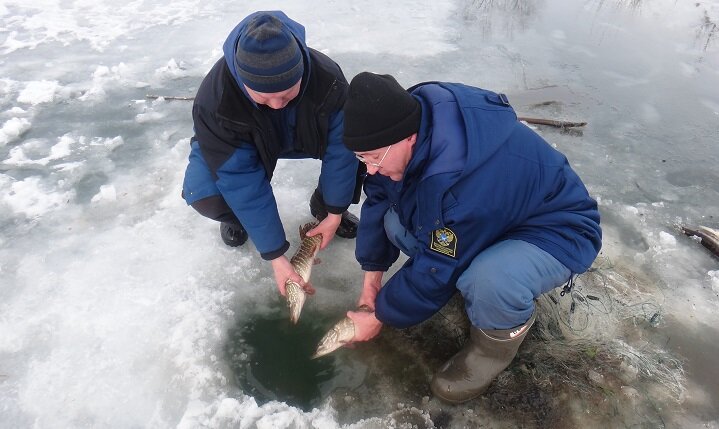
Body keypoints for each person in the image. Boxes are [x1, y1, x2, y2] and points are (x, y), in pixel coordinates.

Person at [340, 72, 602, 404]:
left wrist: (379, 316)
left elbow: (438, 263)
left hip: (557, 229)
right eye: (362, 158)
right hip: (492, 219)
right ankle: (481, 272)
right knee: (394, 221)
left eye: (374, 157)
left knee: (489, 279)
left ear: (407, 138)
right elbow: (378, 199)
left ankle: (494, 347)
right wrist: (371, 279)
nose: (371, 168)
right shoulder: (411, 129)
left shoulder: (461, 183)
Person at [182, 11, 363, 296]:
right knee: (204, 192)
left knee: (364, 145)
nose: (277, 105)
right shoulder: (217, 101)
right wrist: (275, 255)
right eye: (264, 97)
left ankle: (323, 204)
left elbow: (342, 148)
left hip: (301, 134)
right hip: (242, 142)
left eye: (288, 94)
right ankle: (238, 220)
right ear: (243, 83)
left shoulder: (328, 78)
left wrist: (336, 211)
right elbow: (239, 178)